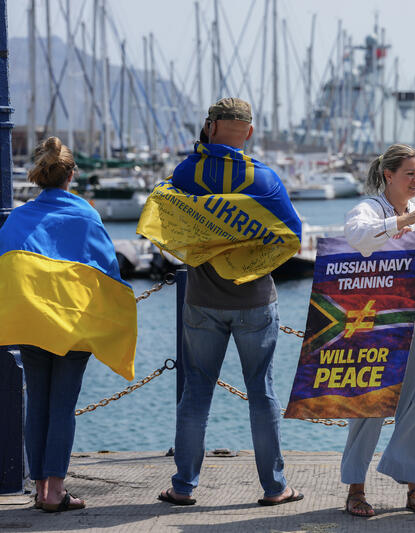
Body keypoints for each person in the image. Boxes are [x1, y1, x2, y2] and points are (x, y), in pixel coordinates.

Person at [156, 98, 303, 507]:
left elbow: (169, 223)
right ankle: (275, 488)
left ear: (211, 127)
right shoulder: (264, 179)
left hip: (202, 298)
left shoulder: (188, 172)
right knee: (262, 391)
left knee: (196, 393)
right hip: (255, 299)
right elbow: (291, 236)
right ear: (249, 132)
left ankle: (183, 486)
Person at [0, 137, 137, 512]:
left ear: (39, 175)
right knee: (62, 406)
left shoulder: (19, 216)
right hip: (74, 328)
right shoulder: (85, 214)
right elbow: (107, 272)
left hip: (31, 324)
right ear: (71, 175)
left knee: (37, 405)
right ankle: (55, 491)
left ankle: (41, 487)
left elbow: (7, 268)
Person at [340, 143, 415, 517]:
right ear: (389, 175)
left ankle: (414, 487)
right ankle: (355, 489)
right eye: (410, 173)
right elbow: (357, 236)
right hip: (379, 314)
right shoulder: (369, 208)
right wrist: (404, 224)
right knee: (369, 401)